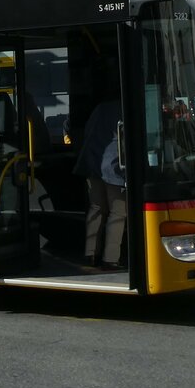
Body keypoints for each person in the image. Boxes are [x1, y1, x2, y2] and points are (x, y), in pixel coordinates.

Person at [73, 99, 126, 269]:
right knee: (117, 212)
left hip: (92, 164)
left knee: (96, 208)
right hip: (115, 167)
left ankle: (91, 254)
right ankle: (111, 258)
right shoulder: (126, 107)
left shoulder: (100, 107)